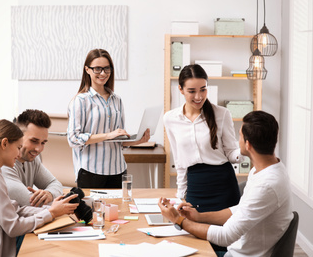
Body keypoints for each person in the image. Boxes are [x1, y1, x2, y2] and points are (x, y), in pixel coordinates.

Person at [158, 111, 293, 257]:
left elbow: (225, 236)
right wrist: (199, 216)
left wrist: (178, 220)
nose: (237, 140)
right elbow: (241, 209)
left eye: (240, 136)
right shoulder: (268, 168)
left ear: (248, 145)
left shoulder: (267, 185)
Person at [0, 119, 78, 257]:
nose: (18, 154)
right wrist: (50, 214)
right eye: (18, 147)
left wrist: (51, 210)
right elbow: (13, 227)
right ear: (4, 143)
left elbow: (15, 209)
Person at [163, 64, 243, 212]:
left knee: (225, 233)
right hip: (195, 186)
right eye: (192, 91)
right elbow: (180, 161)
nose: (199, 97)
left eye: (203, 89)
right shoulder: (170, 119)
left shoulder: (222, 114)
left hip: (223, 186)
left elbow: (231, 152)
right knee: (191, 232)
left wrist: (245, 151)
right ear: (180, 89)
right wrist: (181, 195)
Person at [67, 48, 150, 188]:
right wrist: (108, 135)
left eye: (107, 69)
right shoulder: (80, 101)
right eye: (97, 69)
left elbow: (118, 141)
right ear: (87, 70)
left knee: (120, 210)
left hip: (118, 170)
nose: (103, 73)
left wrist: (138, 141)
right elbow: (73, 138)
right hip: (91, 171)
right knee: (93, 210)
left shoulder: (117, 100)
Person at [2, 109, 63, 207]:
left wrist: (49, 194)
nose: (38, 149)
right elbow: (33, 204)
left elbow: (54, 183)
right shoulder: (4, 165)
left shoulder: (32, 159)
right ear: (17, 136)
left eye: (43, 143)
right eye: (34, 141)